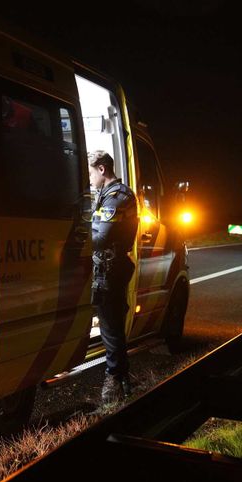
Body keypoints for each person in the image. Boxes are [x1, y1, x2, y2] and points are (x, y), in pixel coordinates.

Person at [88, 150, 139, 406]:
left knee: (110, 327)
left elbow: (101, 238)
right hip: (107, 268)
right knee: (112, 326)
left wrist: (73, 239)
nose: (89, 179)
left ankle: (114, 379)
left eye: (90, 172)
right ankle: (124, 382)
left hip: (111, 269)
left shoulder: (118, 197)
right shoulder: (107, 195)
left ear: (101, 169)